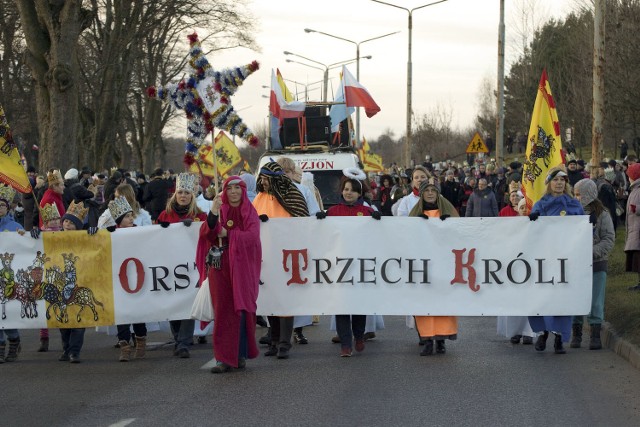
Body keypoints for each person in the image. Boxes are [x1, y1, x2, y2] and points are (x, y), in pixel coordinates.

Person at [196, 176, 262, 373]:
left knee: (242, 309)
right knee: (223, 310)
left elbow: (252, 237)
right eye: (229, 188)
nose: (233, 192)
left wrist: (230, 235)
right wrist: (214, 212)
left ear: (243, 190)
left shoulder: (250, 212)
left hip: (243, 268)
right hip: (220, 266)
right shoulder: (218, 209)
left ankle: (240, 354)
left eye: (237, 188)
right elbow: (207, 233)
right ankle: (223, 358)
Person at [320, 168, 381, 357]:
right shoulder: (332, 211)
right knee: (342, 306)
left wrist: (378, 221)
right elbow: (323, 236)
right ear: (342, 190)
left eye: (353, 190)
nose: (348, 193)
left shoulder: (367, 211)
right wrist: (319, 220)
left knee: (358, 304)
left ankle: (359, 336)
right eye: (346, 189)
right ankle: (345, 344)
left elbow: (378, 237)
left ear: (359, 193)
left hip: (361, 266)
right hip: (339, 267)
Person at [252, 162, 309, 359]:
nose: (263, 182)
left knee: (285, 299)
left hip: (287, 254)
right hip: (265, 255)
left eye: (267, 179)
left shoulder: (291, 195)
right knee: (269, 299)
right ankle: (274, 341)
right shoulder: (259, 197)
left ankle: (285, 343)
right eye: (262, 179)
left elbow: (301, 219)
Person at [528, 165, 584, 354]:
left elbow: (581, 231)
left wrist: (588, 225)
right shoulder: (541, 204)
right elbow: (530, 233)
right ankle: (543, 333)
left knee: (562, 298)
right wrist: (533, 220)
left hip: (566, 259)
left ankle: (559, 338)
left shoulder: (574, 204)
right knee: (543, 297)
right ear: (549, 183)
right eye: (556, 180)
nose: (559, 183)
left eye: (563, 180)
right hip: (545, 259)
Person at [157, 172, 207, 358]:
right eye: (180, 193)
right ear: (175, 195)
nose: (183, 196)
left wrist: (195, 227)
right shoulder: (165, 214)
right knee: (173, 303)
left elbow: (209, 231)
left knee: (188, 303)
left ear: (192, 195)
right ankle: (178, 337)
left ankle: (184, 342)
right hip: (169, 267)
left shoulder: (199, 215)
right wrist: (160, 229)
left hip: (191, 267)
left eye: (187, 192)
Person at [409, 177, 459, 355]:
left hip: (444, 265)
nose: (430, 193)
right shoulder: (414, 215)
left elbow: (460, 235)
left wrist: (450, 225)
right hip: (422, 267)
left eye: (433, 190)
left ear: (438, 193)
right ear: (421, 194)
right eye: (427, 191)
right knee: (424, 304)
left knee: (443, 303)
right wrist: (416, 225)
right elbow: (405, 238)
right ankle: (427, 339)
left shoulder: (449, 212)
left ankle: (441, 340)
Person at [571, 179, 614, 350]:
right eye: (574, 194)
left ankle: (595, 335)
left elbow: (609, 239)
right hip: (576, 265)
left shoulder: (603, 214)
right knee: (576, 299)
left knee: (596, 301)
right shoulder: (572, 213)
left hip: (597, 263)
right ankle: (577, 333)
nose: (576, 198)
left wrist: (590, 251)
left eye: (579, 194)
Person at [105, 196, 149, 361]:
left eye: (132, 216)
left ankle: (141, 342)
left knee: (137, 313)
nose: (131, 219)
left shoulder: (140, 231)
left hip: (137, 278)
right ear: (119, 220)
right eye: (127, 217)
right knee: (121, 314)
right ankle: (124, 346)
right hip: (119, 280)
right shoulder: (111, 233)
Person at [496, 197, 535, 345]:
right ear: (518, 209)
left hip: (531, 267)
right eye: (522, 207)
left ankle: (528, 332)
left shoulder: (536, 223)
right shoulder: (511, 225)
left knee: (530, 301)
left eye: (527, 207)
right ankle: (515, 332)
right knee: (515, 301)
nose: (525, 210)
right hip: (514, 266)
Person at [0, 184, 25, 363]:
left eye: (1, 205)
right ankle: (0, 347)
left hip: (9, 276)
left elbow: (24, 248)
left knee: (7, 311)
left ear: (7, 207)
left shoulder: (14, 225)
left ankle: (14, 340)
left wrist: (23, 235)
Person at [624, 163, 640, 291]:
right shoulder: (635, 189)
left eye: (629, 175)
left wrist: (636, 209)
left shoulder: (638, 190)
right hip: (635, 227)